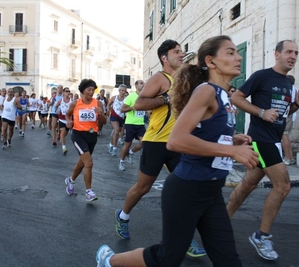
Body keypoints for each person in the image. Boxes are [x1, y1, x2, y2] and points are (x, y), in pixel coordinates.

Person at [96, 35, 260, 267]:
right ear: (211, 61)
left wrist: (231, 142)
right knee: (167, 257)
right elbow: (176, 140)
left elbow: (203, 130)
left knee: (229, 260)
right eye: (231, 52)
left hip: (211, 190)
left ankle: (184, 237)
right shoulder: (205, 91)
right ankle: (109, 260)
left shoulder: (224, 95)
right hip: (185, 184)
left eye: (237, 52)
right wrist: (232, 153)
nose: (239, 57)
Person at [113, 39, 205, 257]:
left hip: (179, 143)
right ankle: (123, 216)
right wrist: (166, 98)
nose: (181, 55)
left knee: (185, 190)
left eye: (182, 51)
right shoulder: (160, 78)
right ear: (164, 58)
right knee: (142, 188)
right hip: (156, 142)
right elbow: (139, 104)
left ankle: (185, 238)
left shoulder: (184, 79)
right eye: (176, 52)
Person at [226, 40, 299, 261]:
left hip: (274, 142)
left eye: (296, 53)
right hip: (261, 140)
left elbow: (282, 114)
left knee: (247, 185)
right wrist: (261, 112)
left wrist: (297, 105)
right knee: (283, 186)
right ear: (277, 54)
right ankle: (261, 236)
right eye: (288, 52)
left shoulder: (289, 85)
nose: (293, 56)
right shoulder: (262, 76)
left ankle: (219, 225)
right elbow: (236, 97)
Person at [64, 79, 106, 201]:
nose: (91, 92)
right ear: (83, 90)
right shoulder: (75, 103)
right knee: (89, 163)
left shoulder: (98, 103)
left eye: (93, 90)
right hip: (78, 135)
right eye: (89, 89)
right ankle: (89, 191)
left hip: (92, 136)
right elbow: (67, 114)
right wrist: (68, 122)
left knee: (81, 163)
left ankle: (71, 180)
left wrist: (101, 114)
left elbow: (104, 121)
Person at [118, 80, 146, 171]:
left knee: (144, 143)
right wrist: (132, 108)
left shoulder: (145, 97)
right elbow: (122, 109)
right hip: (130, 124)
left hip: (140, 124)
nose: (143, 84)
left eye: (143, 83)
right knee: (127, 144)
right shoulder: (131, 97)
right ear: (136, 85)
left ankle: (131, 152)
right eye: (141, 83)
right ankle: (121, 162)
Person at [282, 75, 298, 165]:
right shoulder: (295, 89)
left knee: (284, 136)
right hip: (292, 115)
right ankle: (291, 157)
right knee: (287, 137)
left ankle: (287, 158)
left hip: (286, 114)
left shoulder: (288, 89)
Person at [107, 85, 127, 156]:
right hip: (114, 116)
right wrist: (108, 110)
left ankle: (111, 145)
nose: (123, 92)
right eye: (122, 90)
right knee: (116, 130)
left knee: (116, 133)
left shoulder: (126, 99)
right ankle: (114, 149)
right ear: (119, 91)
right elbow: (109, 104)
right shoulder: (114, 98)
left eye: (124, 91)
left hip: (122, 118)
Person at [55, 87, 72, 155]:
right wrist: (57, 111)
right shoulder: (60, 100)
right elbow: (55, 106)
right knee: (63, 132)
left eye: (69, 91)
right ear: (63, 92)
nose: (68, 92)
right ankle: (64, 147)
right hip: (62, 118)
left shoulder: (72, 100)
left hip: (68, 120)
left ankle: (61, 139)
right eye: (66, 91)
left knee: (65, 134)